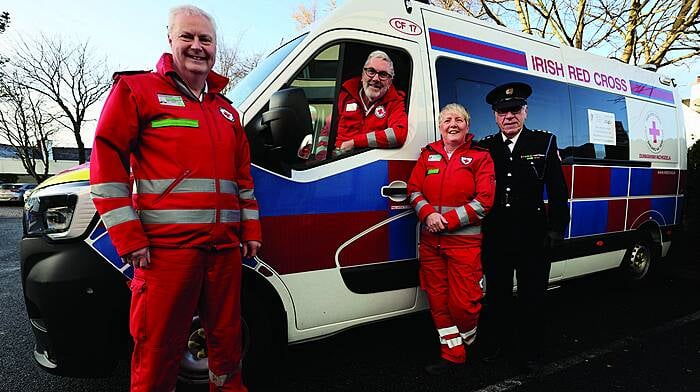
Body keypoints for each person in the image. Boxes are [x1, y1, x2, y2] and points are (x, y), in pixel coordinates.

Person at [89, 5, 261, 392]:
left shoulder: (227, 112)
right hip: (167, 255)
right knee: (157, 354)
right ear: (170, 40)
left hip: (224, 252)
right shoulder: (138, 91)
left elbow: (243, 181)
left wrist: (250, 230)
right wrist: (129, 238)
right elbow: (106, 166)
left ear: (215, 47)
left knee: (227, 348)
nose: (197, 46)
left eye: (206, 39)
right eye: (188, 37)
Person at [477, 82, 569, 372]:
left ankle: (531, 351)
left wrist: (556, 229)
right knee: (497, 296)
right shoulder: (486, 146)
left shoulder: (544, 143)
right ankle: (497, 345)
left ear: (525, 111)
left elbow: (557, 191)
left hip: (533, 236)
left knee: (533, 297)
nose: (509, 116)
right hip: (497, 236)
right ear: (495, 115)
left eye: (514, 109)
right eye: (502, 111)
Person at [407, 103, 495, 375]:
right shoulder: (428, 154)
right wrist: (428, 214)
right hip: (431, 243)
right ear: (441, 126)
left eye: (459, 119)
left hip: (464, 245)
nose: (453, 124)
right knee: (438, 301)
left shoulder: (480, 157)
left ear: (467, 126)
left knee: (463, 304)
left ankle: (468, 339)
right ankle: (453, 354)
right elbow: (413, 189)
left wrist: (447, 220)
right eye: (447, 120)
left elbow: (485, 201)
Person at [332, 50, 408, 155]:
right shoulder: (346, 94)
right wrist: (320, 157)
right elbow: (327, 128)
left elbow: (398, 135)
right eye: (371, 71)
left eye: (383, 74)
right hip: (337, 160)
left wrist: (355, 143)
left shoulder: (395, 101)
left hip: (370, 163)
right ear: (363, 75)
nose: (376, 79)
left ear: (390, 81)